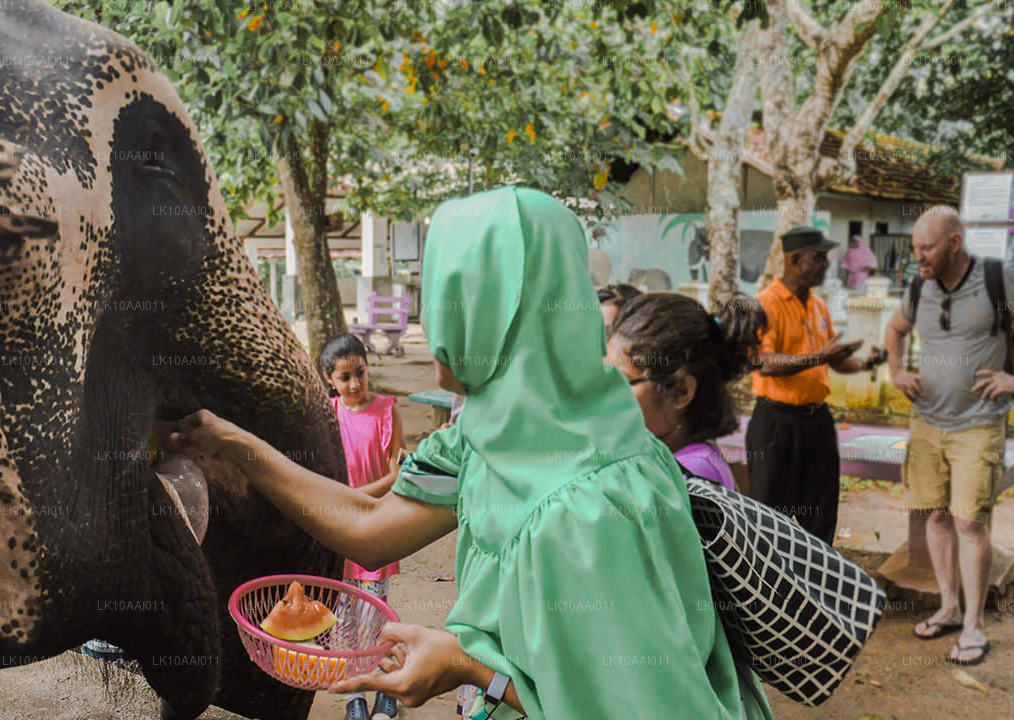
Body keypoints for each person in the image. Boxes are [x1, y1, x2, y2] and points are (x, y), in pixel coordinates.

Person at [167, 187, 771, 719]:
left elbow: (640, 704)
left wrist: (469, 666)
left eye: (446, 289)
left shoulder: (592, 508)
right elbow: (368, 524)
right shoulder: (485, 430)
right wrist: (229, 441)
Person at [885, 205, 1014, 666]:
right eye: (915, 248)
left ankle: (974, 627)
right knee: (937, 516)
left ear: (954, 243)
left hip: (979, 424)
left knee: (970, 522)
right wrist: (896, 370)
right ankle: (948, 607)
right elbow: (895, 328)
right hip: (927, 421)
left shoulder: (996, 279)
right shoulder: (919, 285)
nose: (919, 256)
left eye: (926, 248)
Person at [748, 225, 874, 545]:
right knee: (771, 516)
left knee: (820, 513)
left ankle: (816, 586)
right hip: (776, 425)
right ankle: (771, 588)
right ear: (794, 260)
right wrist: (818, 357)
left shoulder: (818, 305)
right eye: (818, 258)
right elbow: (762, 363)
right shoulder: (765, 304)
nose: (826, 264)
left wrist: (863, 363)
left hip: (817, 422)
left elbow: (832, 360)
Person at [319, 333, 406, 720]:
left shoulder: (388, 409)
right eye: (344, 377)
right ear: (329, 380)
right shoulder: (328, 414)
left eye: (361, 373)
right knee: (345, 618)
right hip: (340, 534)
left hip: (377, 529)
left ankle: (386, 693)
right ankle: (356, 698)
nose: (354, 384)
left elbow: (395, 475)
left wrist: (350, 497)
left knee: (376, 615)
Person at [605, 292, 767, 491]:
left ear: (681, 391)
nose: (607, 393)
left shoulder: (694, 474)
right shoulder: (662, 457)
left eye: (624, 381)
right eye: (605, 377)